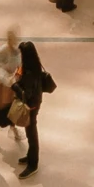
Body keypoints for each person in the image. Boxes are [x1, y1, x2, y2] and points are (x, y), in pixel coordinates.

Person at [11, 40, 55, 178]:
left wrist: (15, 84)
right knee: (30, 133)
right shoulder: (35, 66)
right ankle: (30, 156)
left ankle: (33, 164)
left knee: (32, 135)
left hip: (31, 106)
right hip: (35, 103)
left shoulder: (29, 73)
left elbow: (25, 94)